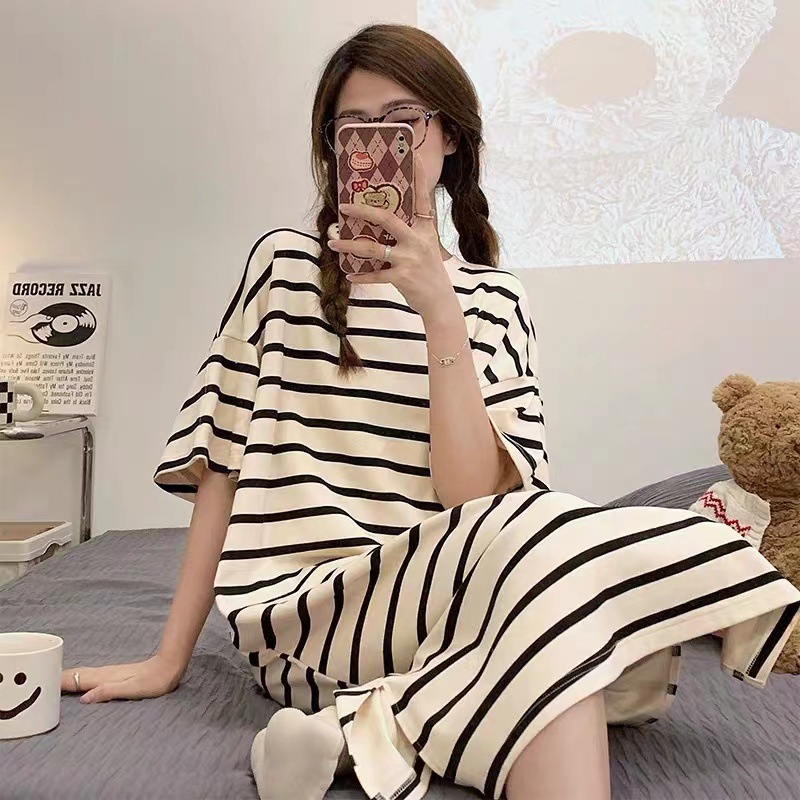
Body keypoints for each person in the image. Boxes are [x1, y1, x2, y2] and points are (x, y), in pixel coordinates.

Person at [61, 24, 800, 800]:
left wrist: (441, 313)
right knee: (577, 603)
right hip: (308, 620)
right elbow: (223, 465)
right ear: (334, 149)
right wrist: (167, 660)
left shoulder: (494, 299)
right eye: (354, 127)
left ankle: (363, 731)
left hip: (449, 610)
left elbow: (472, 499)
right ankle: (385, 720)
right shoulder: (283, 268)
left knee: (546, 561)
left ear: (449, 135)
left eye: (403, 121)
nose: (380, 143)